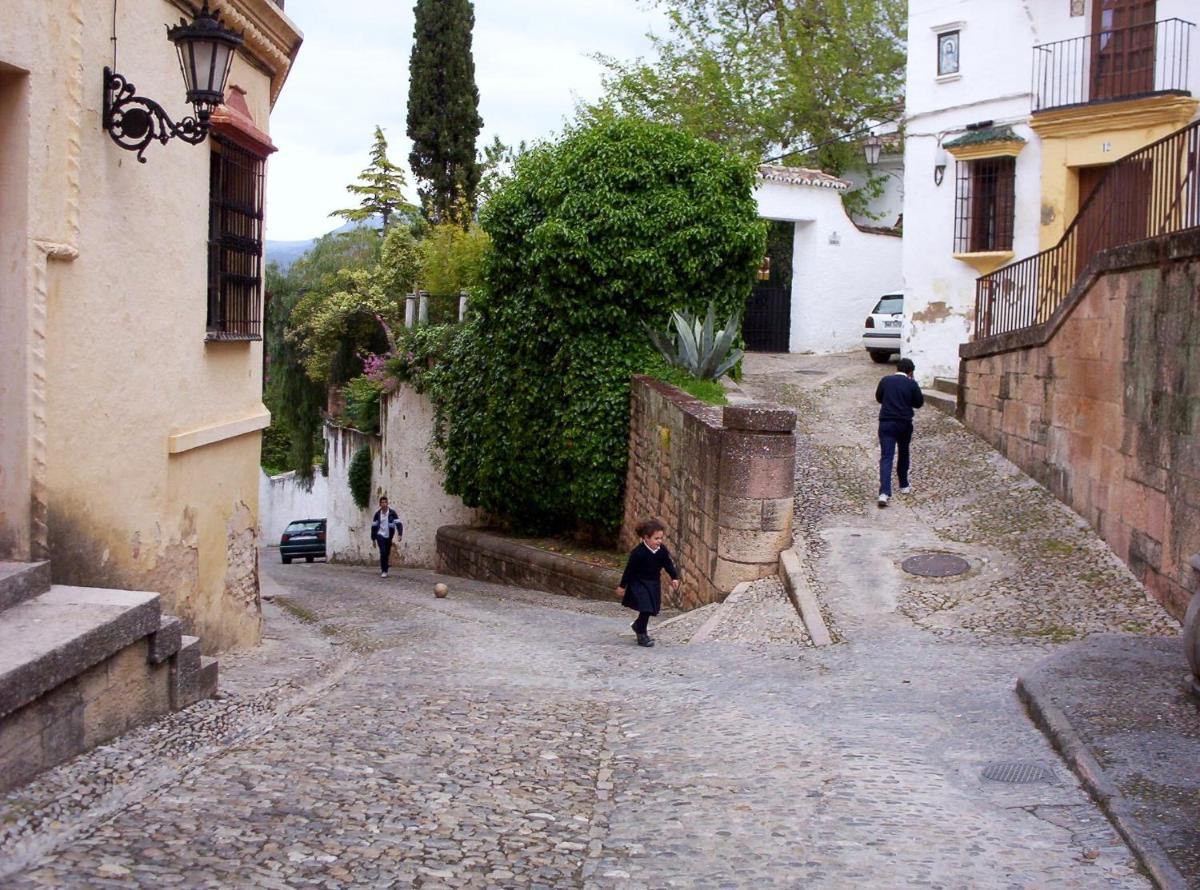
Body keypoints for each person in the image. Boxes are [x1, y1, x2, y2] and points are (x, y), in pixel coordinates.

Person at [617, 519, 680, 648]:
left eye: (661, 538)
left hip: (653, 582)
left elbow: (667, 564)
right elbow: (629, 570)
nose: (659, 541)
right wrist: (622, 586)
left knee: (653, 609)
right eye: (656, 538)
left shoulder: (661, 550)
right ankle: (642, 634)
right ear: (646, 538)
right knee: (646, 608)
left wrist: (674, 577)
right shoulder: (638, 553)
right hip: (639, 583)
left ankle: (637, 625)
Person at [875, 357, 924, 508]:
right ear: (910, 372)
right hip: (904, 423)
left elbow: (879, 398)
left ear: (897, 368)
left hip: (886, 423)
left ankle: (884, 492)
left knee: (886, 457)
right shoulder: (911, 383)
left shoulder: (885, 380)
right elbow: (919, 403)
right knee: (903, 452)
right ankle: (903, 484)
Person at [370, 496, 402, 577]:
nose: (384, 504)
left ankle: (385, 567)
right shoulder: (377, 514)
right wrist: (373, 539)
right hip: (380, 535)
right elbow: (373, 527)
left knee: (386, 553)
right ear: (380, 504)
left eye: (385, 502)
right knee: (383, 552)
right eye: (382, 503)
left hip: (388, 536)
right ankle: (384, 570)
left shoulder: (392, 513)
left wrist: (400, 534)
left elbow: (398, 524)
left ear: (387, 503)